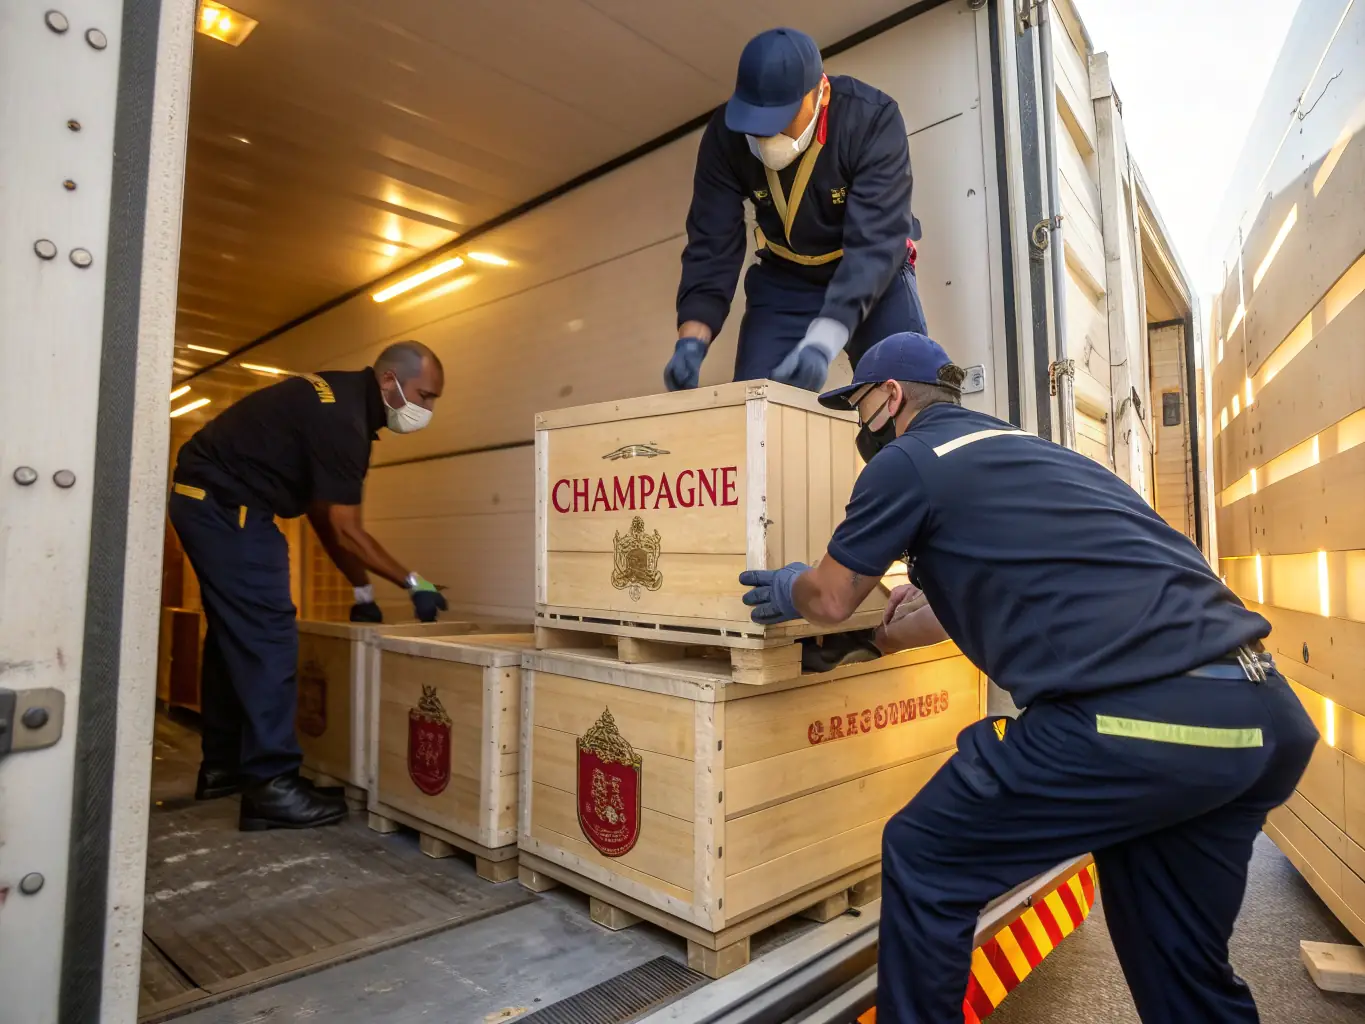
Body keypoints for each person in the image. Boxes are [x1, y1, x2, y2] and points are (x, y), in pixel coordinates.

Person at [738, 331, 1318, 1023]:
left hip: (1145, 719)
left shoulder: (908, 461)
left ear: (889, 397)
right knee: (1177, 962)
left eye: (857, 403)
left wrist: (789, 585)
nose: (857, 422)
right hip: (1260, 714)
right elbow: (999, 591)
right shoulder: (1039, 458)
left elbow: (831, 598)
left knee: (925, 855)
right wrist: (889, 636)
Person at [168, 340, 450, 831]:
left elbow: (326, 518)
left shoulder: (341, 401)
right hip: (227, 508)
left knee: (234, 637)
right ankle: (271, 785)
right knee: (270, 637)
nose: (427, 409)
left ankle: (224, 768)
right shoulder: (344, 421)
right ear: (390, 381)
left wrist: (362, 590)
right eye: (425, 396)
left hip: (208, 501)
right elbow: (345, 528)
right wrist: (413, 581)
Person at [665, 26, 927, 395]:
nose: (765, 135)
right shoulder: (725, 136)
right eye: (756, 123)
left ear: (819, 93)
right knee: (757, 408)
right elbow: (712, 240)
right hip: (785, 280)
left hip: (872, 271)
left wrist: (823, 339)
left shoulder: (871, 119)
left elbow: (875, 241)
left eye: (779, 118)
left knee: (905, 397)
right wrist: (692, 338)